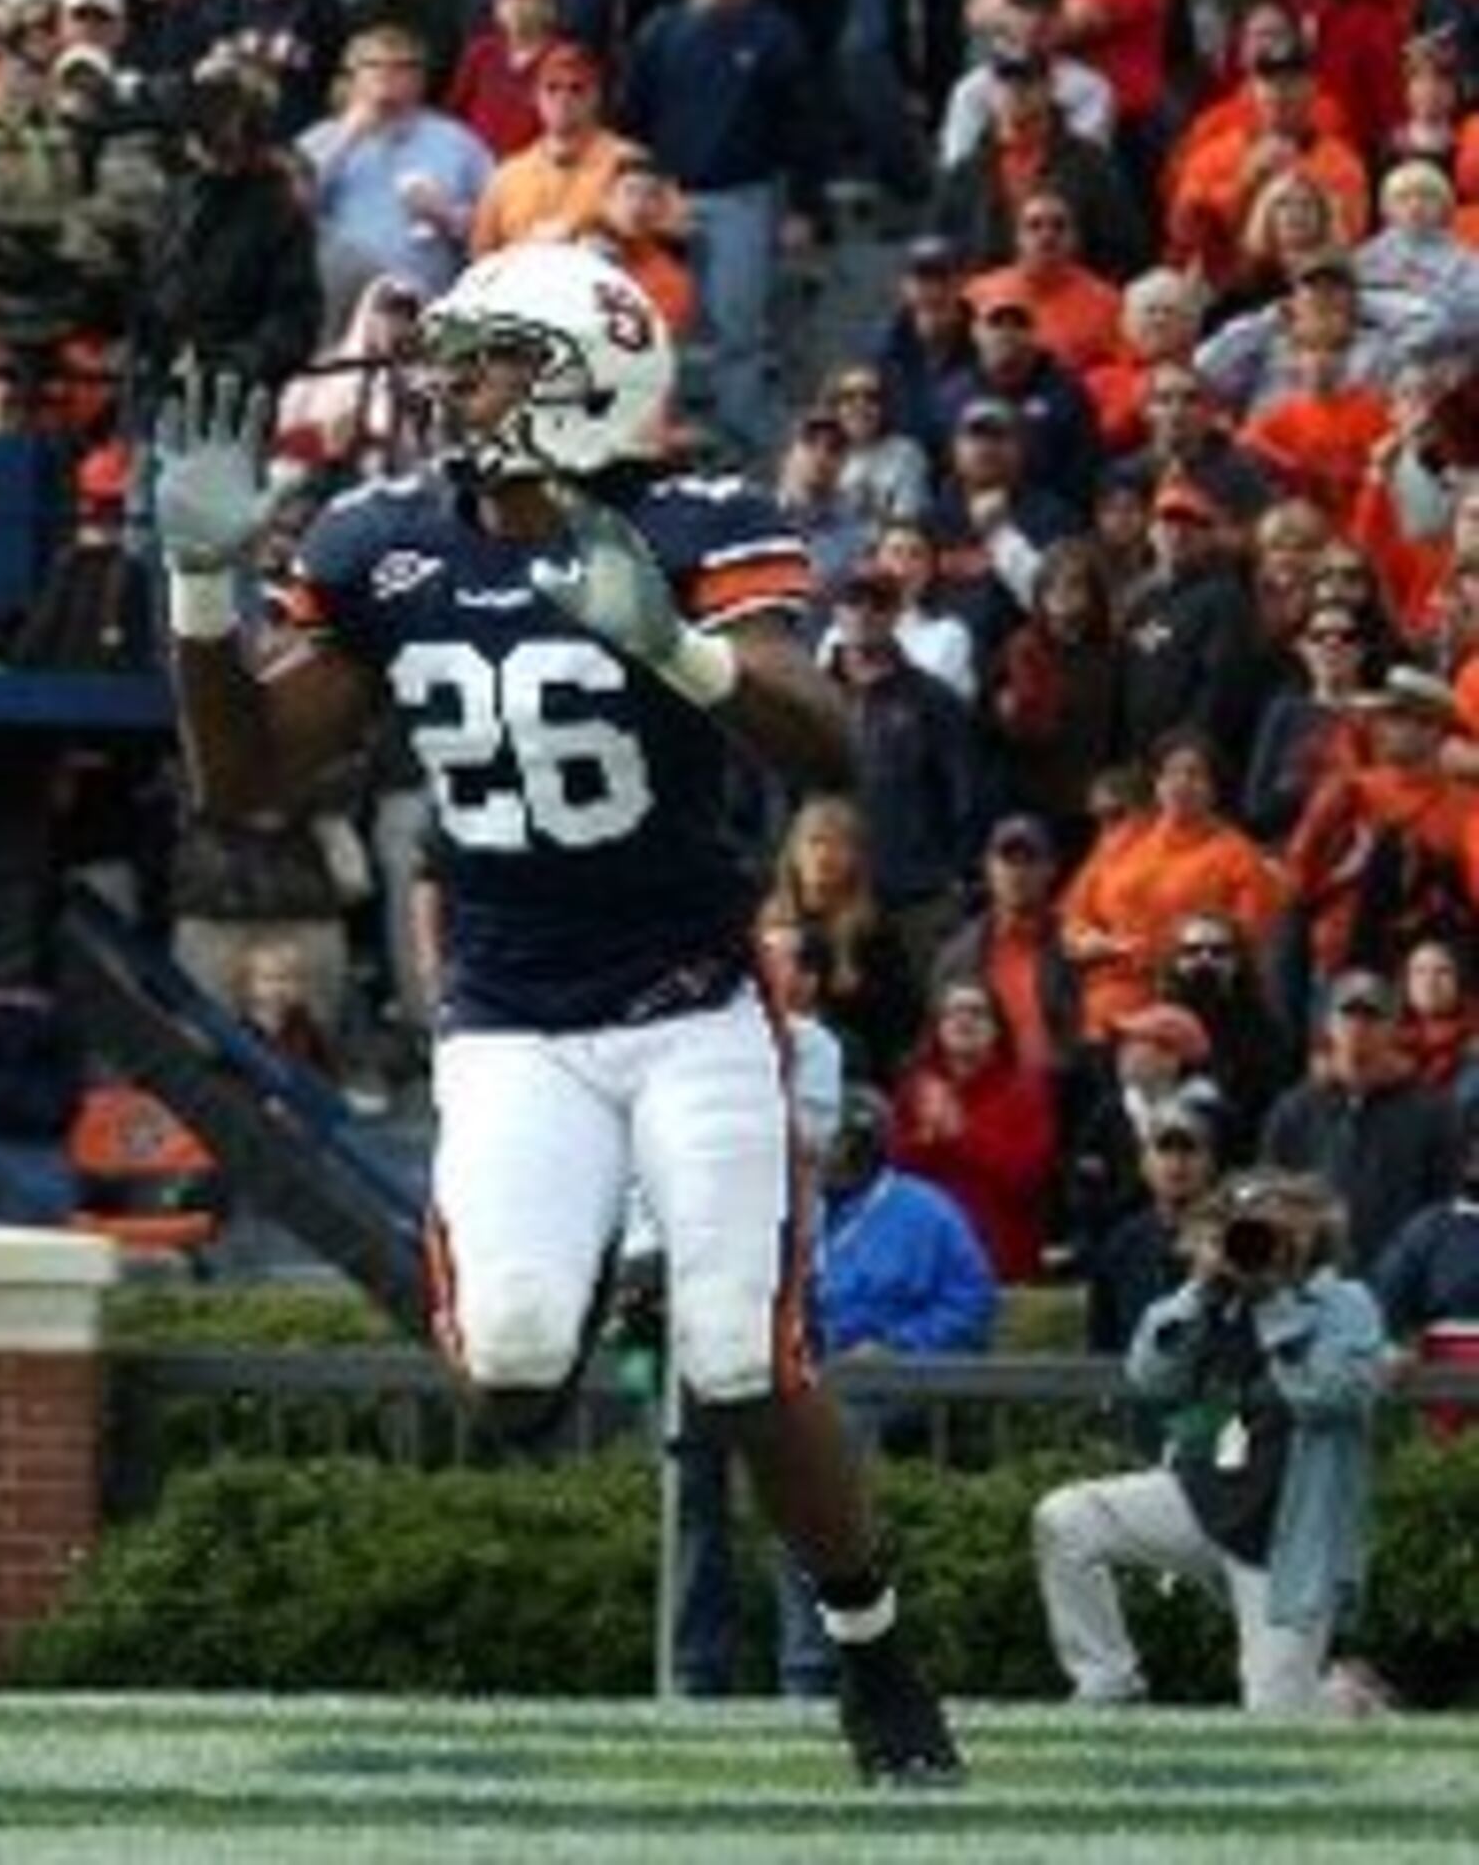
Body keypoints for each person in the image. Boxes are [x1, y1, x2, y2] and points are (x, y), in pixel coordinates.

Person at [155, 238, 963, 1785]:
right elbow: (244, 776)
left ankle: (877, 1660)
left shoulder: (701, 519)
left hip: (693, 1002)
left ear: (589, 376)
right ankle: (599, 1263)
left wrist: (667, 639)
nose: (453, 388)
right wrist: (200, 590)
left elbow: (828, 744)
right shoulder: (384, 538)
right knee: (514, 1365)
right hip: (512, 1016)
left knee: (741, 1356)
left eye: (489, 360)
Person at [1031, 1170, 1388, 1715]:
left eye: (1272, 1229)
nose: (1256, 1244)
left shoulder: (1344, 1303)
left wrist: (1273, 1305)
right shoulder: (1216, 1297)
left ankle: (1344, 1698)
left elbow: (1331, 1397)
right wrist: (1198, 1287)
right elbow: (1149, 1378)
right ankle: (1108, 1683)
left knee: (1275, 1719)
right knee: (1066, 1518)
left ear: (1308, 1233)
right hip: (1203, 1496)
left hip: (1288, 1537)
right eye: (1244, 1229)